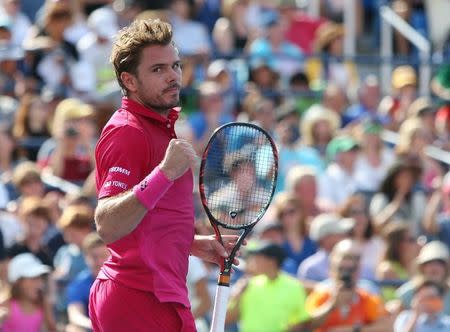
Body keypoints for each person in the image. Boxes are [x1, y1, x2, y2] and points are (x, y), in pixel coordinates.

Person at [89, 18, 240, 331]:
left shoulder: (158, 128)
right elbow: (108, 224)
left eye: (176, 65)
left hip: (162, 295)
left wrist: (188, 242)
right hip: (136, 298)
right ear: (130, 81)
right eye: (158, 69)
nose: (173, 76)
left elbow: (147, 220)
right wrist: (164, 172)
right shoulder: (128, 132)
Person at [295, 239, 391, 332]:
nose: (347, 275)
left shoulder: (366, 295)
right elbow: (304, 326)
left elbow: (387, 327)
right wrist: (331, 305)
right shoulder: (321, 293)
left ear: (359, 269)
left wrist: (354, 330)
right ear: (332, 268)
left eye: (352, 269)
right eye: (341, 269)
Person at [226, 241, 310, 332]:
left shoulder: (294, 286)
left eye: (259, 258)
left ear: (272, 261)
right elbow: (228, 319)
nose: (254, 262)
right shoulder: (247, 285)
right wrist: (237, 297)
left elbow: (302, 322)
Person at [0, 253, 56, 332]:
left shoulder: (43, 304)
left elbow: (53, 329)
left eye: (40, 278)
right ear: (18, 282)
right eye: (33, 279)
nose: (39, 284)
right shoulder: (5, 305)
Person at [66, 232, 109, 332]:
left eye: (103, 256)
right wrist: (98, 327)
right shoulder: (78, 284)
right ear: (86, 258)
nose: (99, 262)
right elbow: (75, 316)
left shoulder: (121, 280)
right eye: (94, 257)